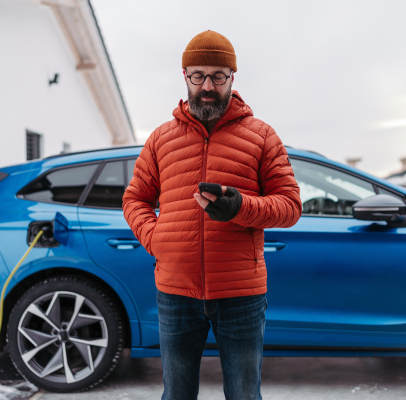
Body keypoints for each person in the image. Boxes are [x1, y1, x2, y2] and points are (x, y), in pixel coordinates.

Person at [122, 30, 302, 400]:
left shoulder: (261, 136)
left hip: (241, 294)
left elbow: (290, 206)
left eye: (218, 76)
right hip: (176, 292)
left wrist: (241, 208)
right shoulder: (160, 140)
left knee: (243, 394)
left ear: (232, 78)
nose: (208, 86)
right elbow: (135, 198)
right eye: (198, 75)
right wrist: (156, 239)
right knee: (177, 394)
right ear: (185, 76)